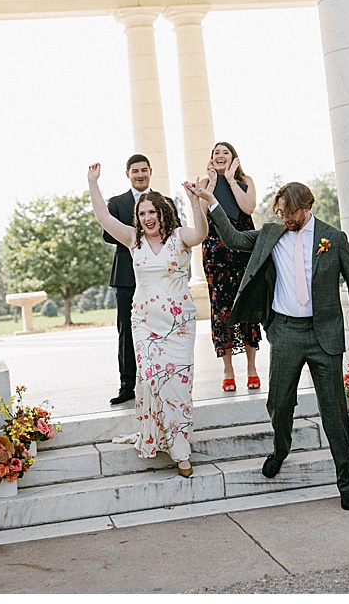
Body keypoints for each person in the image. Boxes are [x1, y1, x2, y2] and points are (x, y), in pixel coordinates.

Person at [187, 179, 349, 510]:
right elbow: (232, 238)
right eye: (280, 211)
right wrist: (210, 201)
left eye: (289, 212)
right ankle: (281, 448)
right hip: (285, 331)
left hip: (324, 336)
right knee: (278, 403)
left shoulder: (334, 239)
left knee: (335, 413)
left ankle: (346, 482)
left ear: (306, 207)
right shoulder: (271, 235)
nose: (284, 217)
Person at [88, 162, 207, 477]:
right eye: (142, 214)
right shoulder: (132, 240)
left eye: (152, 212)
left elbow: (202, 233)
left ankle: (181, 449)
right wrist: (93, 183)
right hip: (145, 325)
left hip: (179, 325)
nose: (147, 218)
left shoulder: (180, 237)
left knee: (178, 387)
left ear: (163, 212)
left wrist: (196, 202)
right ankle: (159, 440)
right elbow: (103, 216)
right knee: (153, 383)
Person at [101, 154, 180, 406]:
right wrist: (142, 235)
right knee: (126, 331)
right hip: (126, 275)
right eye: (135, 171)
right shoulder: (116, 203)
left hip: (159, 274)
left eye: (144, 170)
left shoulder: (165, 201)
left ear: (150, 171)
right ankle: (127, 385)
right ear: (128, 174)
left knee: (163, 325)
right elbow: (107, 234)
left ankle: (165, 379)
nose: (140, 175)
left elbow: (175, 229)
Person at [200, 142, 262, 391]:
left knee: (246, 303)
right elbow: (203, 212)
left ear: (234, 158)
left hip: (242, 249)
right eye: (216, 152)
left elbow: (248, 207)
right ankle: (227, 370)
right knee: (221, 308)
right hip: (216, 253)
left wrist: (230, 180)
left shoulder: (245, 180)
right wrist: (214, 183)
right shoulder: (205, 185)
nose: (220, 155)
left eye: (225, 152)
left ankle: (251, 368)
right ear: (211, 159)